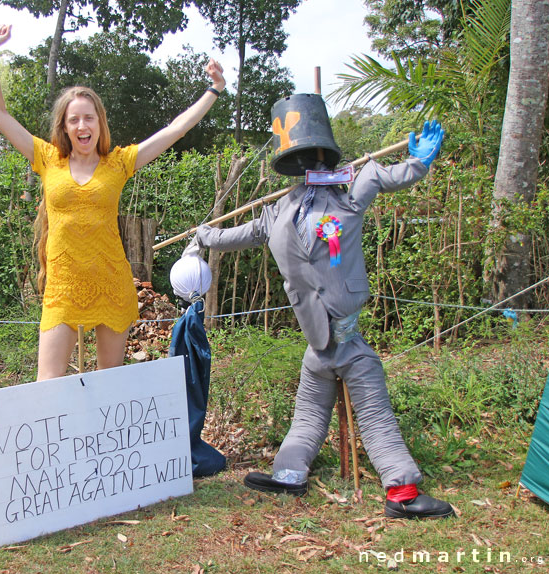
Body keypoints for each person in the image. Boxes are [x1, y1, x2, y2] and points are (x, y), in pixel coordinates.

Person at [192, 92, 455, 520]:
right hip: (318, 340)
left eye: (312, 156)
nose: (309, 166)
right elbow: (241, 234)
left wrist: (418, 163)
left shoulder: (349, 191)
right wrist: (206, 236)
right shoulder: (278, 210)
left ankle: (396, 490)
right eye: (302, 158)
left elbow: (387, 177)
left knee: (365, 412)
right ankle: (299, 475)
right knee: (317, 412)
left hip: (344, 335)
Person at [0, 24, 225, 381]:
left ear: (99, 123)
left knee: (107, 389)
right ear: (64, 126)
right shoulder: (47, 158)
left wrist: (214, 90)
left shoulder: (119, 162)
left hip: (111, 284)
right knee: (47, 388)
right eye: (74, 119)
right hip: (63, 289)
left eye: (89, 117)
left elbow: (176, 130)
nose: (82, 125)